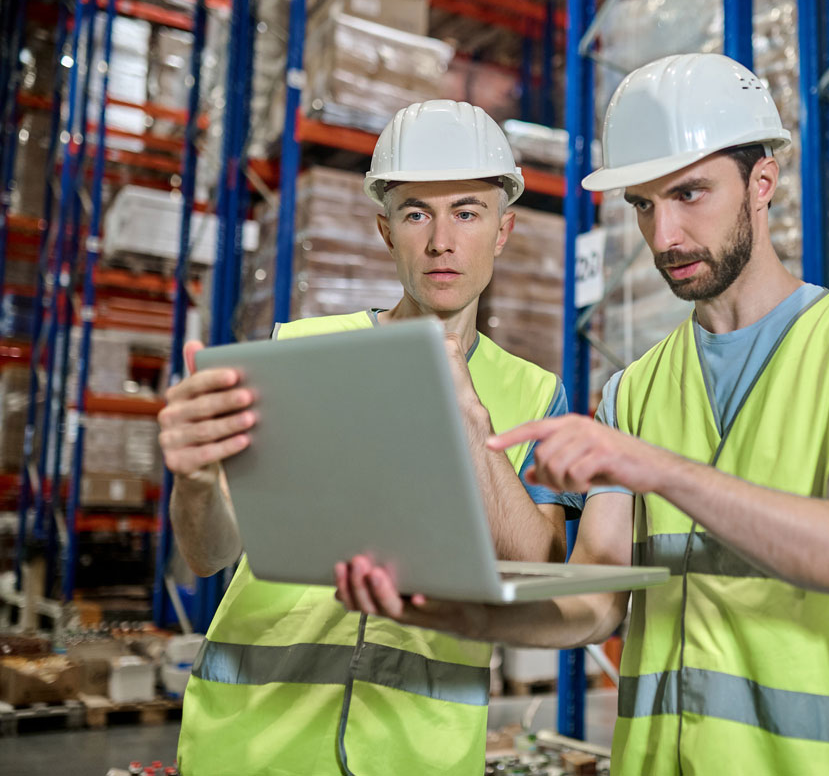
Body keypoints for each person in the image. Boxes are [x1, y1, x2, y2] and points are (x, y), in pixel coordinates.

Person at [335, 54, 829, 775]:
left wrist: (654, 467)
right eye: (645, 205)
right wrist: (453, 615)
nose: (665, 237)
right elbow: (596, 602)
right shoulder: (636, 391)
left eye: (690, 195)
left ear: (763, 182)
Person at [157, 100, 582, 774]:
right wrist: (196, 481)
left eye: (468, 212)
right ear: (386, 229)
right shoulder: (296, 355)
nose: (442, 240)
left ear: (502, 231)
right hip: (254, 745)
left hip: (419, 753)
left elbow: (543, 573)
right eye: (417, 213)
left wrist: (470, 420)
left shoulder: (535, 396)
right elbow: (210, 553)